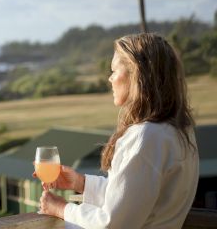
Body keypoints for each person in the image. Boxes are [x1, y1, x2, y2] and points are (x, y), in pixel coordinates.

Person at [36, 33, 199, 228]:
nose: (110, 78)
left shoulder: (145, 137)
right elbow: (134, 198)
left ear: (137, 73)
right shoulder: (178, 131)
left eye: (114, 70)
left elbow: (113, 224)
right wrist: (81, 182)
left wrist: (62, 208)